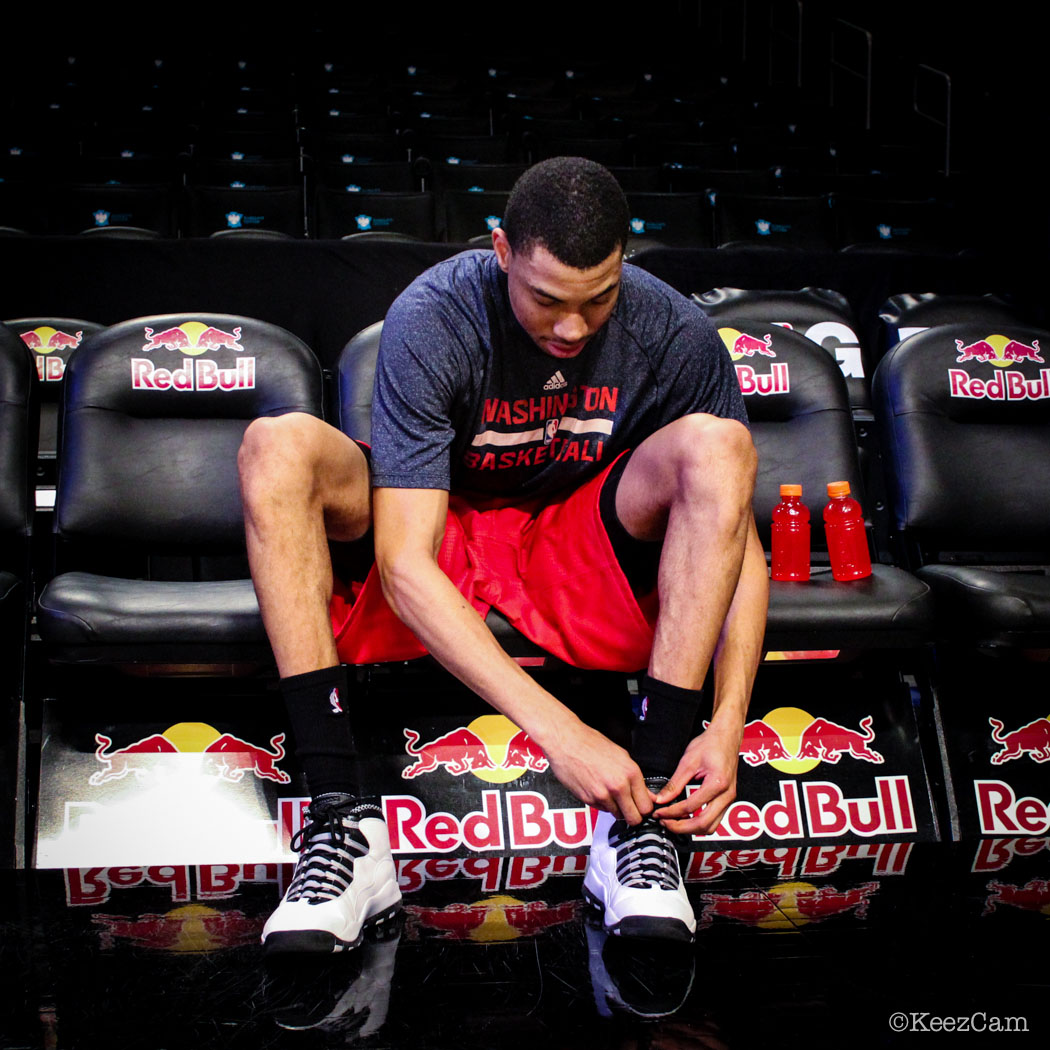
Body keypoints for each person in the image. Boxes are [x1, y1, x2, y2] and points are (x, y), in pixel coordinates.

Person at [239, 157, 768, 954]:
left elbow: (742, 545)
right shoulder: (435, 315)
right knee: (275, 445)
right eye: (546, 299)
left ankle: (645, 825)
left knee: (721, 447)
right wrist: (560, 733)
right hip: (439, 527)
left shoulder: (675, 332)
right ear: (500, 251)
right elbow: (405, 563)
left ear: (627, 260)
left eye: (599, 300)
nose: (571, 329)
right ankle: (342, 828)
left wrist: (729, 720)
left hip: (573, 539)